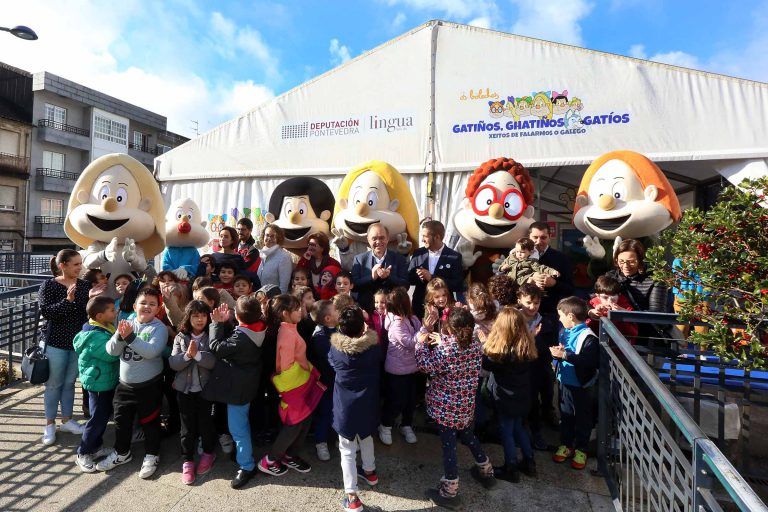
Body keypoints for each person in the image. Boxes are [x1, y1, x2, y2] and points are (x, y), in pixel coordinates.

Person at [415, 308, 496, 508]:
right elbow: (458, 353)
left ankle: (450, 491)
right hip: (466, 405)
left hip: (447, 408)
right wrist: (443, 341)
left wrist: (421, 344)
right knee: (468, 436)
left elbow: (426, 366)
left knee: (449, 446)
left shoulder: (447, 349)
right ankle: (486, 470)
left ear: (450, 329)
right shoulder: (475, 344)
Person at [98, 287, 167, 479]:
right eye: (143, 303)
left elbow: (151, 351)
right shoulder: (127, 322)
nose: (147, 307)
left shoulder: (158, 328)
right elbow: (111, 350)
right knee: (121, 421)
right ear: (135, 306)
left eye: (152, 304)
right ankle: (122, 452)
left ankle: (152, 454)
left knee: (150, 422)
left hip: (149, 385)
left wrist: (130, 337)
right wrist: (121, 336)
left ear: (158, 308)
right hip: (125, 385)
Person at [203, 296, 265, 488]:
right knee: (242, 423)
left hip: (238, 389)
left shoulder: (241, 338)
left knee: (238, 429)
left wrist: (216, 323)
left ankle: (247, 465)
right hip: (248, 384)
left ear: (237, 316)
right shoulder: (260, 326)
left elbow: (216, 347)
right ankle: (242, 456)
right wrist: (228, 322)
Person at [259, 294, 323, 477]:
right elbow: (285, 366)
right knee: (294, 424)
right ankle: (269, 460)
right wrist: (304, 376)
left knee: (304, 420)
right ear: (285, 313)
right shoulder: (286, 333)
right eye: (296, 309)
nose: (300, 311)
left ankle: (289, 455)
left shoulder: (289, 328)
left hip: (299, 383)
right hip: (295, 386)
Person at [328, 306, 382, 512]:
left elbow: (331, 361)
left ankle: (351, 496)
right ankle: (370, 472)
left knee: (347, 448)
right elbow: (373, 346)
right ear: (363, 328)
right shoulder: (373, 348)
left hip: (346, 407)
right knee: (367, 437)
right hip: (368, 402)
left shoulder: (336, 350)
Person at [38, 249, 91, 446]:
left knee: (69, 383)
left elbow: (86, 313)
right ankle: (50, 424)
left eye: (80, 263)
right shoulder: (49, 285)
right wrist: (67, 301)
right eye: (76, 264)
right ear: (63, 265)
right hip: (56, 342)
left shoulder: (85, 285)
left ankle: (67, 420)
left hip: (77, 342)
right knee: (53, 384)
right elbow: (47, 312)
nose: (80, 267)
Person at [481, 306, 538, 482]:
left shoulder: (502, 353)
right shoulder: (526, 348)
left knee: (506, 431)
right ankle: (529, 463)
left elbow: (487, 364)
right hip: (522, 397)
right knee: (519, 427)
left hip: (505, 398)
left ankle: (511, 467)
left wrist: (485, 342)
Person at [169, 300, 218, 485]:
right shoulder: (181, 337)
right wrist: (187, 355)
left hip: (206, 391)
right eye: (195, 315)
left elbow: (213, 362)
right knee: (187, 427)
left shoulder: (211, 335)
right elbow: (173, 363)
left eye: (203, 315)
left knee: (206, 424)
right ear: (188, 317)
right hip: (185, 391)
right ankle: (187, 461)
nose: (199, 319)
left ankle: (207, 453)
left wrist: (198, 355)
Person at [550, 297, 599, 470]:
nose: (559, 319)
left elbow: (589, 361)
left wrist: (564, 356)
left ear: (570, 316)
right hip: (565, 381)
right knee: (566, 415)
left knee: (582, 418)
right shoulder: (564, 330)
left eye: (560, 315)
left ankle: (581, 448)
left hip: (582, 385)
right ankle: (566, 444)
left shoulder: (588, 337)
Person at [73, 296, 120, 473]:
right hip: (99, 383)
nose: (114, 312)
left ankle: (96, 447)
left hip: (104, 380)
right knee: (97, 418)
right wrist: (121, 338)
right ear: (100, 316)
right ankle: (83, 452)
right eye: (111, 310)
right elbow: (110, 355)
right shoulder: (94, 335)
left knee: (102, 415)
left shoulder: (104, 327)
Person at [517, 283, 558, 450]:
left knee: (546, 392)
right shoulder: (514, 319)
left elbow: (551, 344)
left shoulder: (547, 321)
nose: (533, 307)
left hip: (541, 365)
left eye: (536, 303)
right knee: (530, 400)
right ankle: (533, 430)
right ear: (519, 300)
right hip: (521, 367)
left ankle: (546, 416)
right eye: (528, 303)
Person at [602, 238, 669, 342]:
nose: (625, 266)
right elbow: (595, 298)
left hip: (646, 338)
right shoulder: (611, 276)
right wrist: (593, 311)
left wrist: (626, 313)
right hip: (617, 336)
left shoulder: (655, 278)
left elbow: (657, 314)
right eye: (621, 261)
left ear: (641, 260)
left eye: (631, 262)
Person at [379, 287, 421, 446]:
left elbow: (419, 331)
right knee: (396, 400)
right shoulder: (396, 324)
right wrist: (425, 330)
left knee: (410, 400)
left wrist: (425, 327)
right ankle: (386, 425)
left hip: (411, 367)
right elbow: (410, 342)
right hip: (397, 370)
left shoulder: (411, 318)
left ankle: (406, 424)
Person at [408, 220, 464, 319]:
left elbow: (457, 284)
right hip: (420, 308)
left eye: (425, 236)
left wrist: (432, 278)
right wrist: (419, 276)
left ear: (437, 237)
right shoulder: (418, 253)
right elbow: (409, 278)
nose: (422, 240)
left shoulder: (454, 257)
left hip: (444, 312)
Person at [351, 223, 409, 313]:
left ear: (388, 238)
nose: (378, 242)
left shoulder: (399, 259)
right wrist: (372, 277)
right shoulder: (359, 259)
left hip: (393, 311)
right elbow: (353, 286)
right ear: (368, 240)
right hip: (367, 311)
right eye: (374, 238)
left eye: (382, 238)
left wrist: (389, 277)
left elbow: (406, 285)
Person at [307, 300, 339, 462]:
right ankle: (321, 442)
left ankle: (334, 437)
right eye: (336, 310)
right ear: (327, 318)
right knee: (324, 413)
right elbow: (331, 360)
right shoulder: (319, 337)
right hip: (325, 383)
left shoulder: (337, 329)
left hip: (337, 382)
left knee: (336, 411)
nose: (339, 311)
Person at [528, 222, 573, 315]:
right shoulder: (519, 258)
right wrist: (529, 280)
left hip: (551, 314)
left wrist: (554, 283)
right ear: (529, 237)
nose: (539, 241)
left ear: (549, 237)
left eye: (543, 237)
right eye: (535, 237)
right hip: (524, 312)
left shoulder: (562, 258)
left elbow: (570, 289)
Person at [587, 275, 638, 341]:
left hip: (619, 347)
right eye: (605, 297)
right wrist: (594, 316)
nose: (609, 301)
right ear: (598, 296)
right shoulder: (592, 304)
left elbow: (633, 333)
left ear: (619, 295)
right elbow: (588, 329)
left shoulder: (625, 306)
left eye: (613, 297)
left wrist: (621, 316)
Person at [257, 224, 294, 294]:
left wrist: (277, 303)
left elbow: (284, 287)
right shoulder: (262, 254)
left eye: (273, 236)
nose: (269, 238)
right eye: (267, 235)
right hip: (262, 299)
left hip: (275, 301)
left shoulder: (284, 257)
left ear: (278, 238)